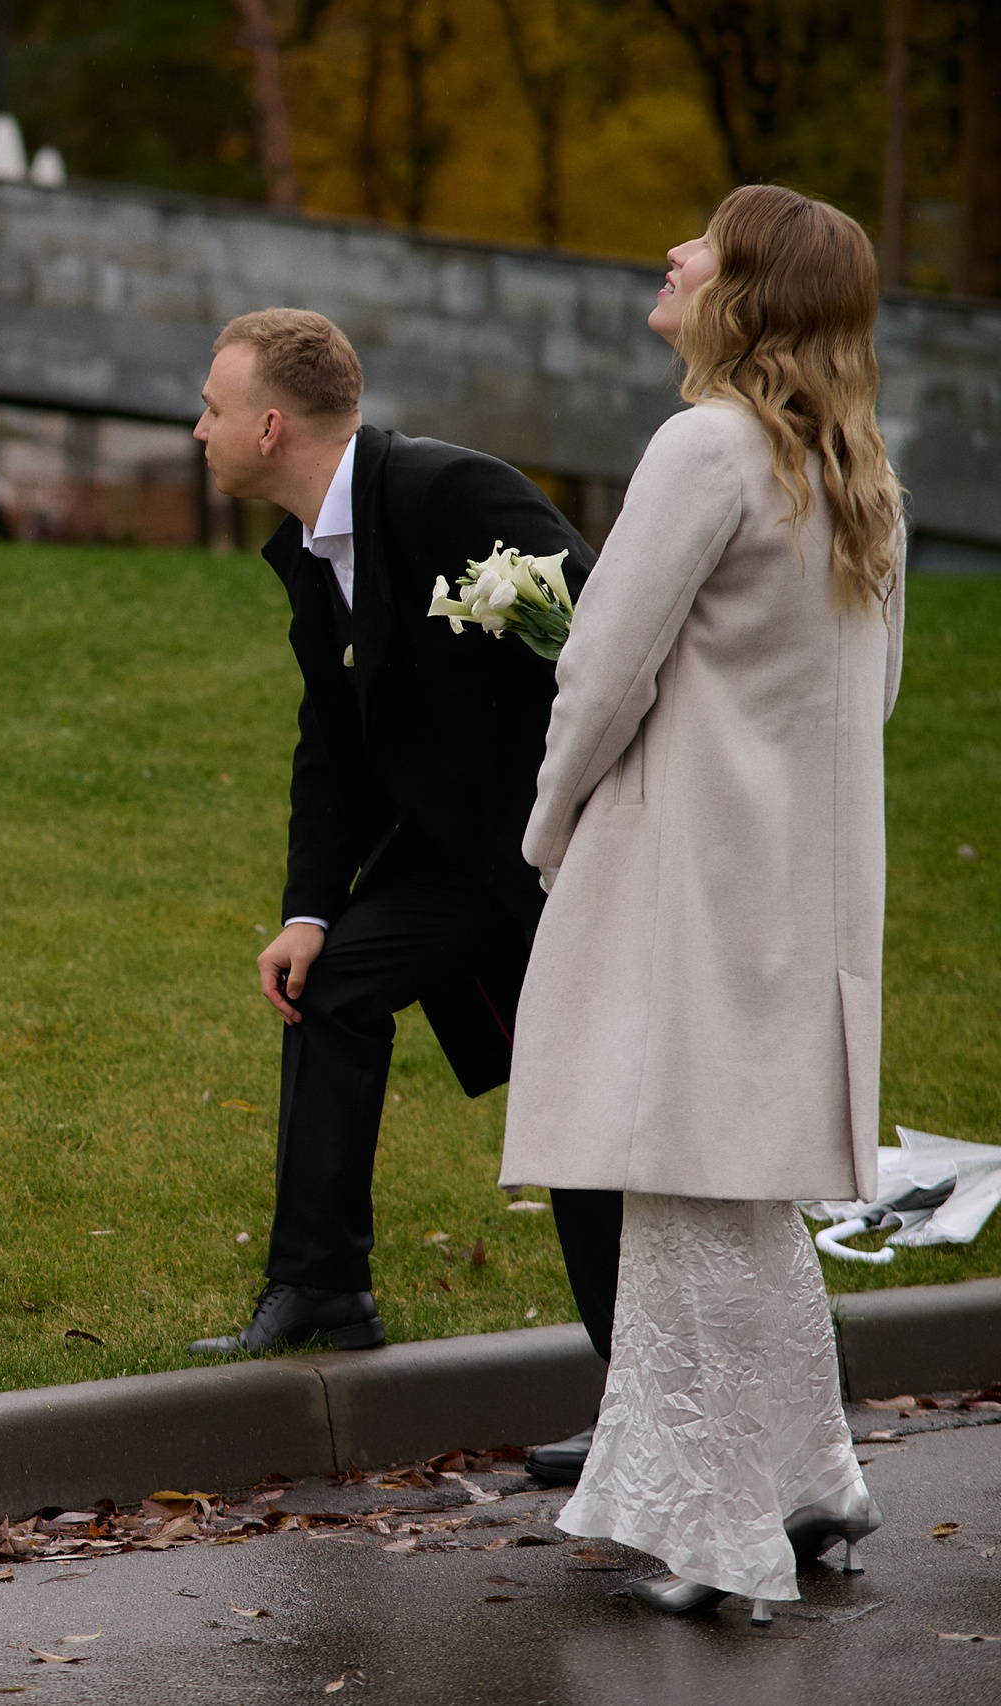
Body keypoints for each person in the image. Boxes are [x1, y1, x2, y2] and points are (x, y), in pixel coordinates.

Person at [501, 184, 907, 1622]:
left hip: (684, 884)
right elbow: (871, 700)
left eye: (701, 245)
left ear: (746, 292)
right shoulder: (854, 466)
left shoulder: (705, 446)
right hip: (795, 884)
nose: (669, 253)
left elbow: (601, 670)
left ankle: (722, 1520)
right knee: (729, 1201)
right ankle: (807, 1476)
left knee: (683, 1193)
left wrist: (550, 826)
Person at [186, 310, 623, 1486]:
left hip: (564, 862)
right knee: (327, 982)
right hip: (455, 867)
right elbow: (331, 747)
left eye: (213, 410)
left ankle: (639, 1397)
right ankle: (322, 1281)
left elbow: (607, 646)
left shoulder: (453, 496)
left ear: (269, 425)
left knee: (581, 1125)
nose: (199, 429)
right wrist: (309, 910)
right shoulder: (303, 549)